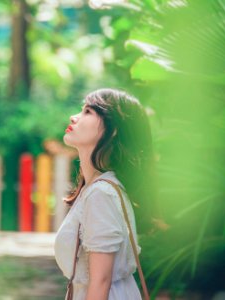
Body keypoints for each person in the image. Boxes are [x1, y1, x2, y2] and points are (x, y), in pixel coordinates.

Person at [54, 88, 157, 300]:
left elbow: (100, 281)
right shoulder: (99, 188)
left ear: (113, 130)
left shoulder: (101, 193)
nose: (74, 117)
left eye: (88, 112)